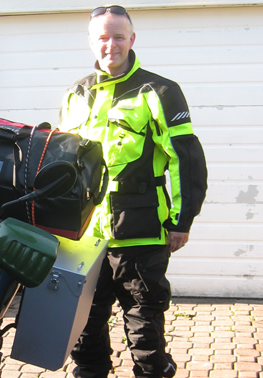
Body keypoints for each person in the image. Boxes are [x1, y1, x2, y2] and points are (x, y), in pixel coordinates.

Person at [58, 5, 208, 378]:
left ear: (132, 39)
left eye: (119, 36)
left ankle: (152, 372)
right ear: (92, 42)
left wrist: (181, 220)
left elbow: (185, 161)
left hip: (140, 228)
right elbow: (62, 164)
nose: (111, 45)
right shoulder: (76, 93)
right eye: (103, 37)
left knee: (143, 316)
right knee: (85, 319)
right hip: (84, 233)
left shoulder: (159, 91)